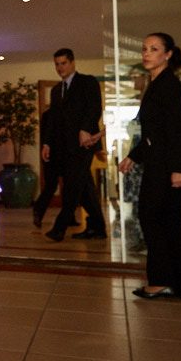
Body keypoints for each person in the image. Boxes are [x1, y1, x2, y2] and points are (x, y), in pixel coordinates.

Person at [119, 33, 181, 300]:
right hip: (160, 162)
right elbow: (156, 132)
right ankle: (178, 284)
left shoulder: (169, 85)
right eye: (144, 49)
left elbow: (175, 130)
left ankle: (162, 280)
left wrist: (179, 168)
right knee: (168, 222)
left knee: (153, 219)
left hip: (166, 166)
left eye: (154, 49)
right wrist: (134, 156)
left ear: (168, 54)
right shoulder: (158, 84)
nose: (146, 53)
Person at [43, 48, 108, 242]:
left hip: (84, 144)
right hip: (64, 148)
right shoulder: (56, 91)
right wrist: (47, 143)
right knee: (84, 186)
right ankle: (97, 228)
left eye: (63, 63)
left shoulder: (87, 82)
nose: (60, 68)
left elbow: (95, 107)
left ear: (72, 63)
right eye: (57, 64)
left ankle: (59, 228)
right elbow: (53, 121)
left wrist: (85, 129)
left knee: (73, 185)